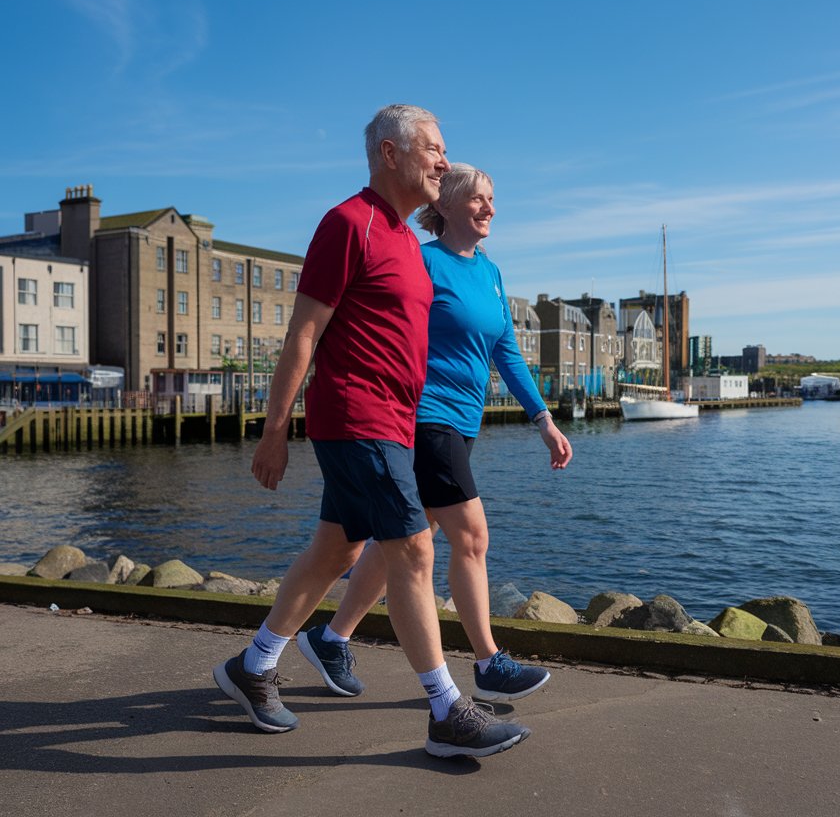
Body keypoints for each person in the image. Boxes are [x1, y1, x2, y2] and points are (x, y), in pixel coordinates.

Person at [213, 107, 530, 759]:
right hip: (357, 418)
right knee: (414, 548)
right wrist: (276, 429)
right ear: (392, 153)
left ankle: (254, 664)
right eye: (435, 150)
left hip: (398, 422)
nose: (445, 161)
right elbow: (304, 332)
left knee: (338, 551)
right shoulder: (347, 224)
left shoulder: (408, 243)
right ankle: (447, 710)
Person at [297, 162, 573, 705]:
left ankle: (330, 638)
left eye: (493, 198)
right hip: (423, 417)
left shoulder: (490, 272)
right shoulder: (420, 262)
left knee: (400, 540)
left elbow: (505, 352)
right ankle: (488, 661)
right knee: (471, 536)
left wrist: (543, 419)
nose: (490, 207)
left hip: (463, 421)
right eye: (478, 198)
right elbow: (379, 328)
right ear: (444, 205)